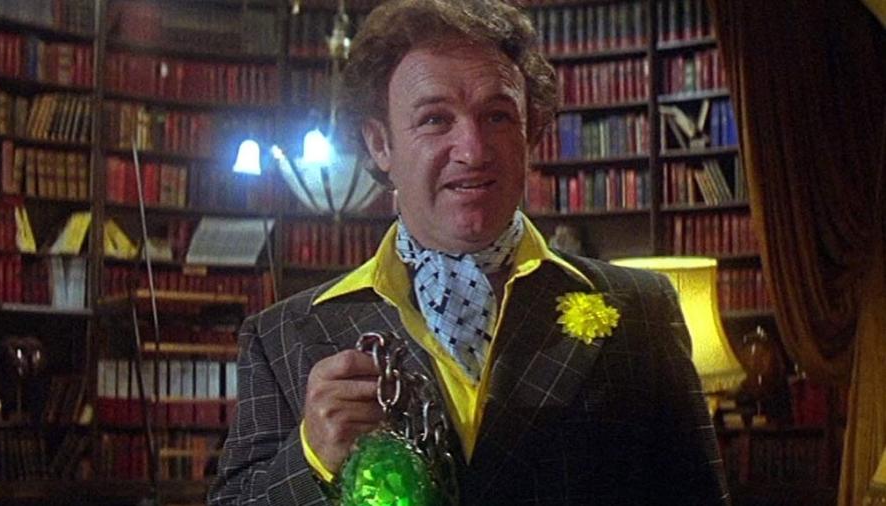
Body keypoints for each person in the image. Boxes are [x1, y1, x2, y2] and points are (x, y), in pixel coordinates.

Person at [208, 0, 730, 504]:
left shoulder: (642, 310)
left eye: (498, 116)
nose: (474, 150)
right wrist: (312, 459)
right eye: (435, 119)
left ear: (531, 133)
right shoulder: (282, 337)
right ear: (380, 144)